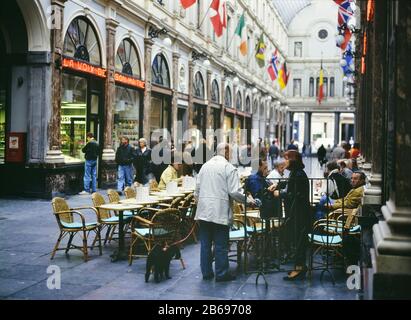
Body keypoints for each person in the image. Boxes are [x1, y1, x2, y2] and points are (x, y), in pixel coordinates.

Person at [195, 143, 255, 282]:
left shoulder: (205, 166)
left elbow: (196, 191)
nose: (232, 156)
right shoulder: (228, 167)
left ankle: (206, 273)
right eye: (231, 153)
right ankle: (221, 274)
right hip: (219, 212)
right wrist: (248, 201)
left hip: (203, 212)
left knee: (205, 244)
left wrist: (202, 205)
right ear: (226, 152)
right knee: (221, 245)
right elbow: (234, 192)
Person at [271, 150, 310, 281]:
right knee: (297, 239)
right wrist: (278, 185)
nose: (284, 162)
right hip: (296, 212)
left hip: (299, 213)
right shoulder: (295, 173)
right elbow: (290, 186)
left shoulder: (298, 174)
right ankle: (298, 267)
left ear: (293, 160)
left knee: (299, 241)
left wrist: (279, 193)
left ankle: (299, 269)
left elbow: (294, 194)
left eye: (286, 159)